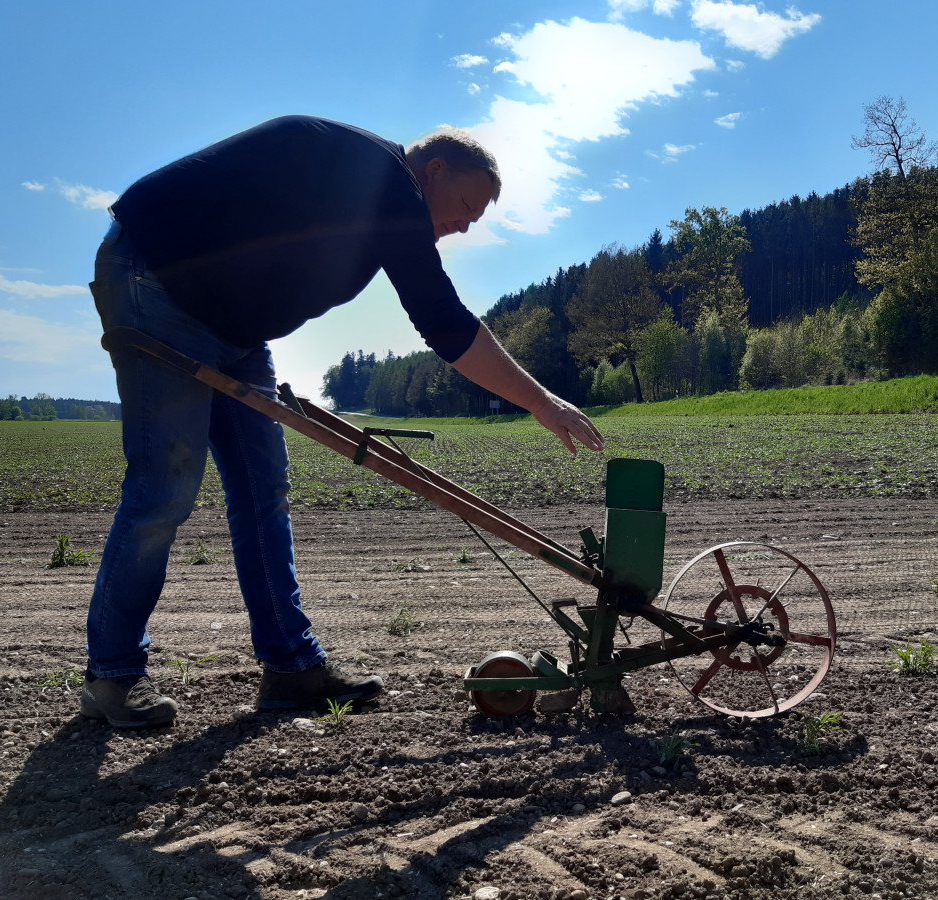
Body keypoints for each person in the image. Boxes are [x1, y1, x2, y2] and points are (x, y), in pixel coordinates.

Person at [82, 115, 604, 728]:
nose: (464, 225)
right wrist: (542, 402)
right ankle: (111, 676)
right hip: (156, 280)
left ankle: (291, 669)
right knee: (164, 487)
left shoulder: (375, 190)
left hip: (234, 328)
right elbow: (440, 317)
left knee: (262, 491)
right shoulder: (385, 181)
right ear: (433, 171)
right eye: (465, 205)